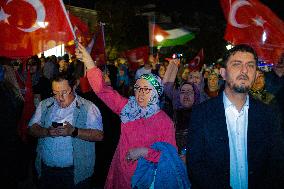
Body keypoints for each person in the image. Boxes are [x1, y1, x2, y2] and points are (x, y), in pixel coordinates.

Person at [76, 43, 184, 189]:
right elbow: (102, 89)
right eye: (138, 88)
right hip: (121, 174)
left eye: (146, 89)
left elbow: (169, 157)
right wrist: (89, 62)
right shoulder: (128, 107)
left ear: (156, 93)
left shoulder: (164, 122)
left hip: (145, 180)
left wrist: (144, 152)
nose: (140, 93)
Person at [186, 44, 284, 189]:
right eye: (237, 64)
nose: (244, 70)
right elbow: (196, 165)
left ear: (256, 74)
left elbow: (277, 164)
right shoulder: (201, 114)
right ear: (223, 73)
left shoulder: (269, 115)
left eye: (250, 65)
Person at [28, 72, 104, 189]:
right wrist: (46, 132)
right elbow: (31, 129)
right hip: (46, 170)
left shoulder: (88, 107)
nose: (59, 97)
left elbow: (99, 135)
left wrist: (74, 131)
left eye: (64, 92)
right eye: (55, 93)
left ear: (73, 87)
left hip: (74, 172)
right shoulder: (45, 104)